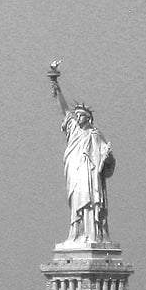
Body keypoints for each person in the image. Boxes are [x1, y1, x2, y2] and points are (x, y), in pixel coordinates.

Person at [49, 63, 115, 243]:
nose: (77, 117)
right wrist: (56, 85)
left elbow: (108, 161)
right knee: (77, 201)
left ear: (89, 117)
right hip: (76, 172)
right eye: (76, 114)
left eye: (81, 114)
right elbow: (63, 111)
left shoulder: (95, 135)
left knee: (91, 202)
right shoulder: (74, 131)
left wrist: (107, 158)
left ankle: (93, 234)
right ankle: (77, 233)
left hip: (90, 175)